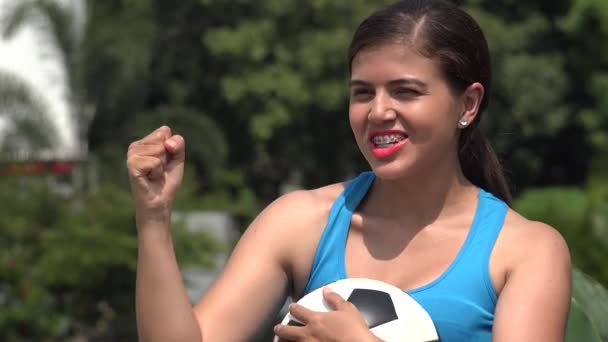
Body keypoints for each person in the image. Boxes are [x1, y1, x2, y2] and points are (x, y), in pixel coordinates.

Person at [126, 0, 572, 341]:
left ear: (468, 104)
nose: (379, 111)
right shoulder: (298, 222)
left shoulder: (527, 251)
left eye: (406, 91)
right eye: (363, 93)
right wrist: (153, 218)